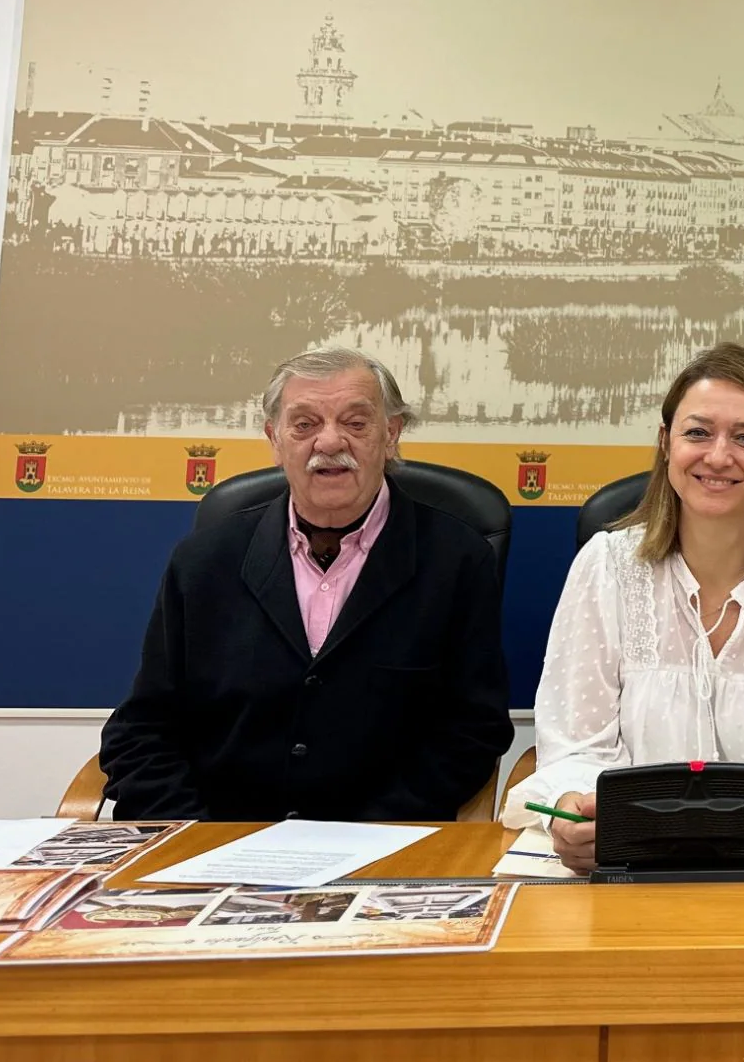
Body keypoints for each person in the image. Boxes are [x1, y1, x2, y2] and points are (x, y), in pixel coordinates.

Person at [504, 343, 744, 873]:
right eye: (698, 432)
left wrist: (730, 831)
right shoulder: (606, 567)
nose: (719, 456)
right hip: (626, 869)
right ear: (665, 443)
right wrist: (574, 811)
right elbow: (576, 743)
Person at [98, 347, 513, 821]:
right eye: (304, 424)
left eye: (356, 423)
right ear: (275, 439)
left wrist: (373, 834)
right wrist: (194, 834)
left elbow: (472, 730)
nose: (330, 441)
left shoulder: (456, 559)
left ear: (391, 435)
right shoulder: (204, 561)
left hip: (382, 843)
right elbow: (143, 728)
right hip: (218, 837)